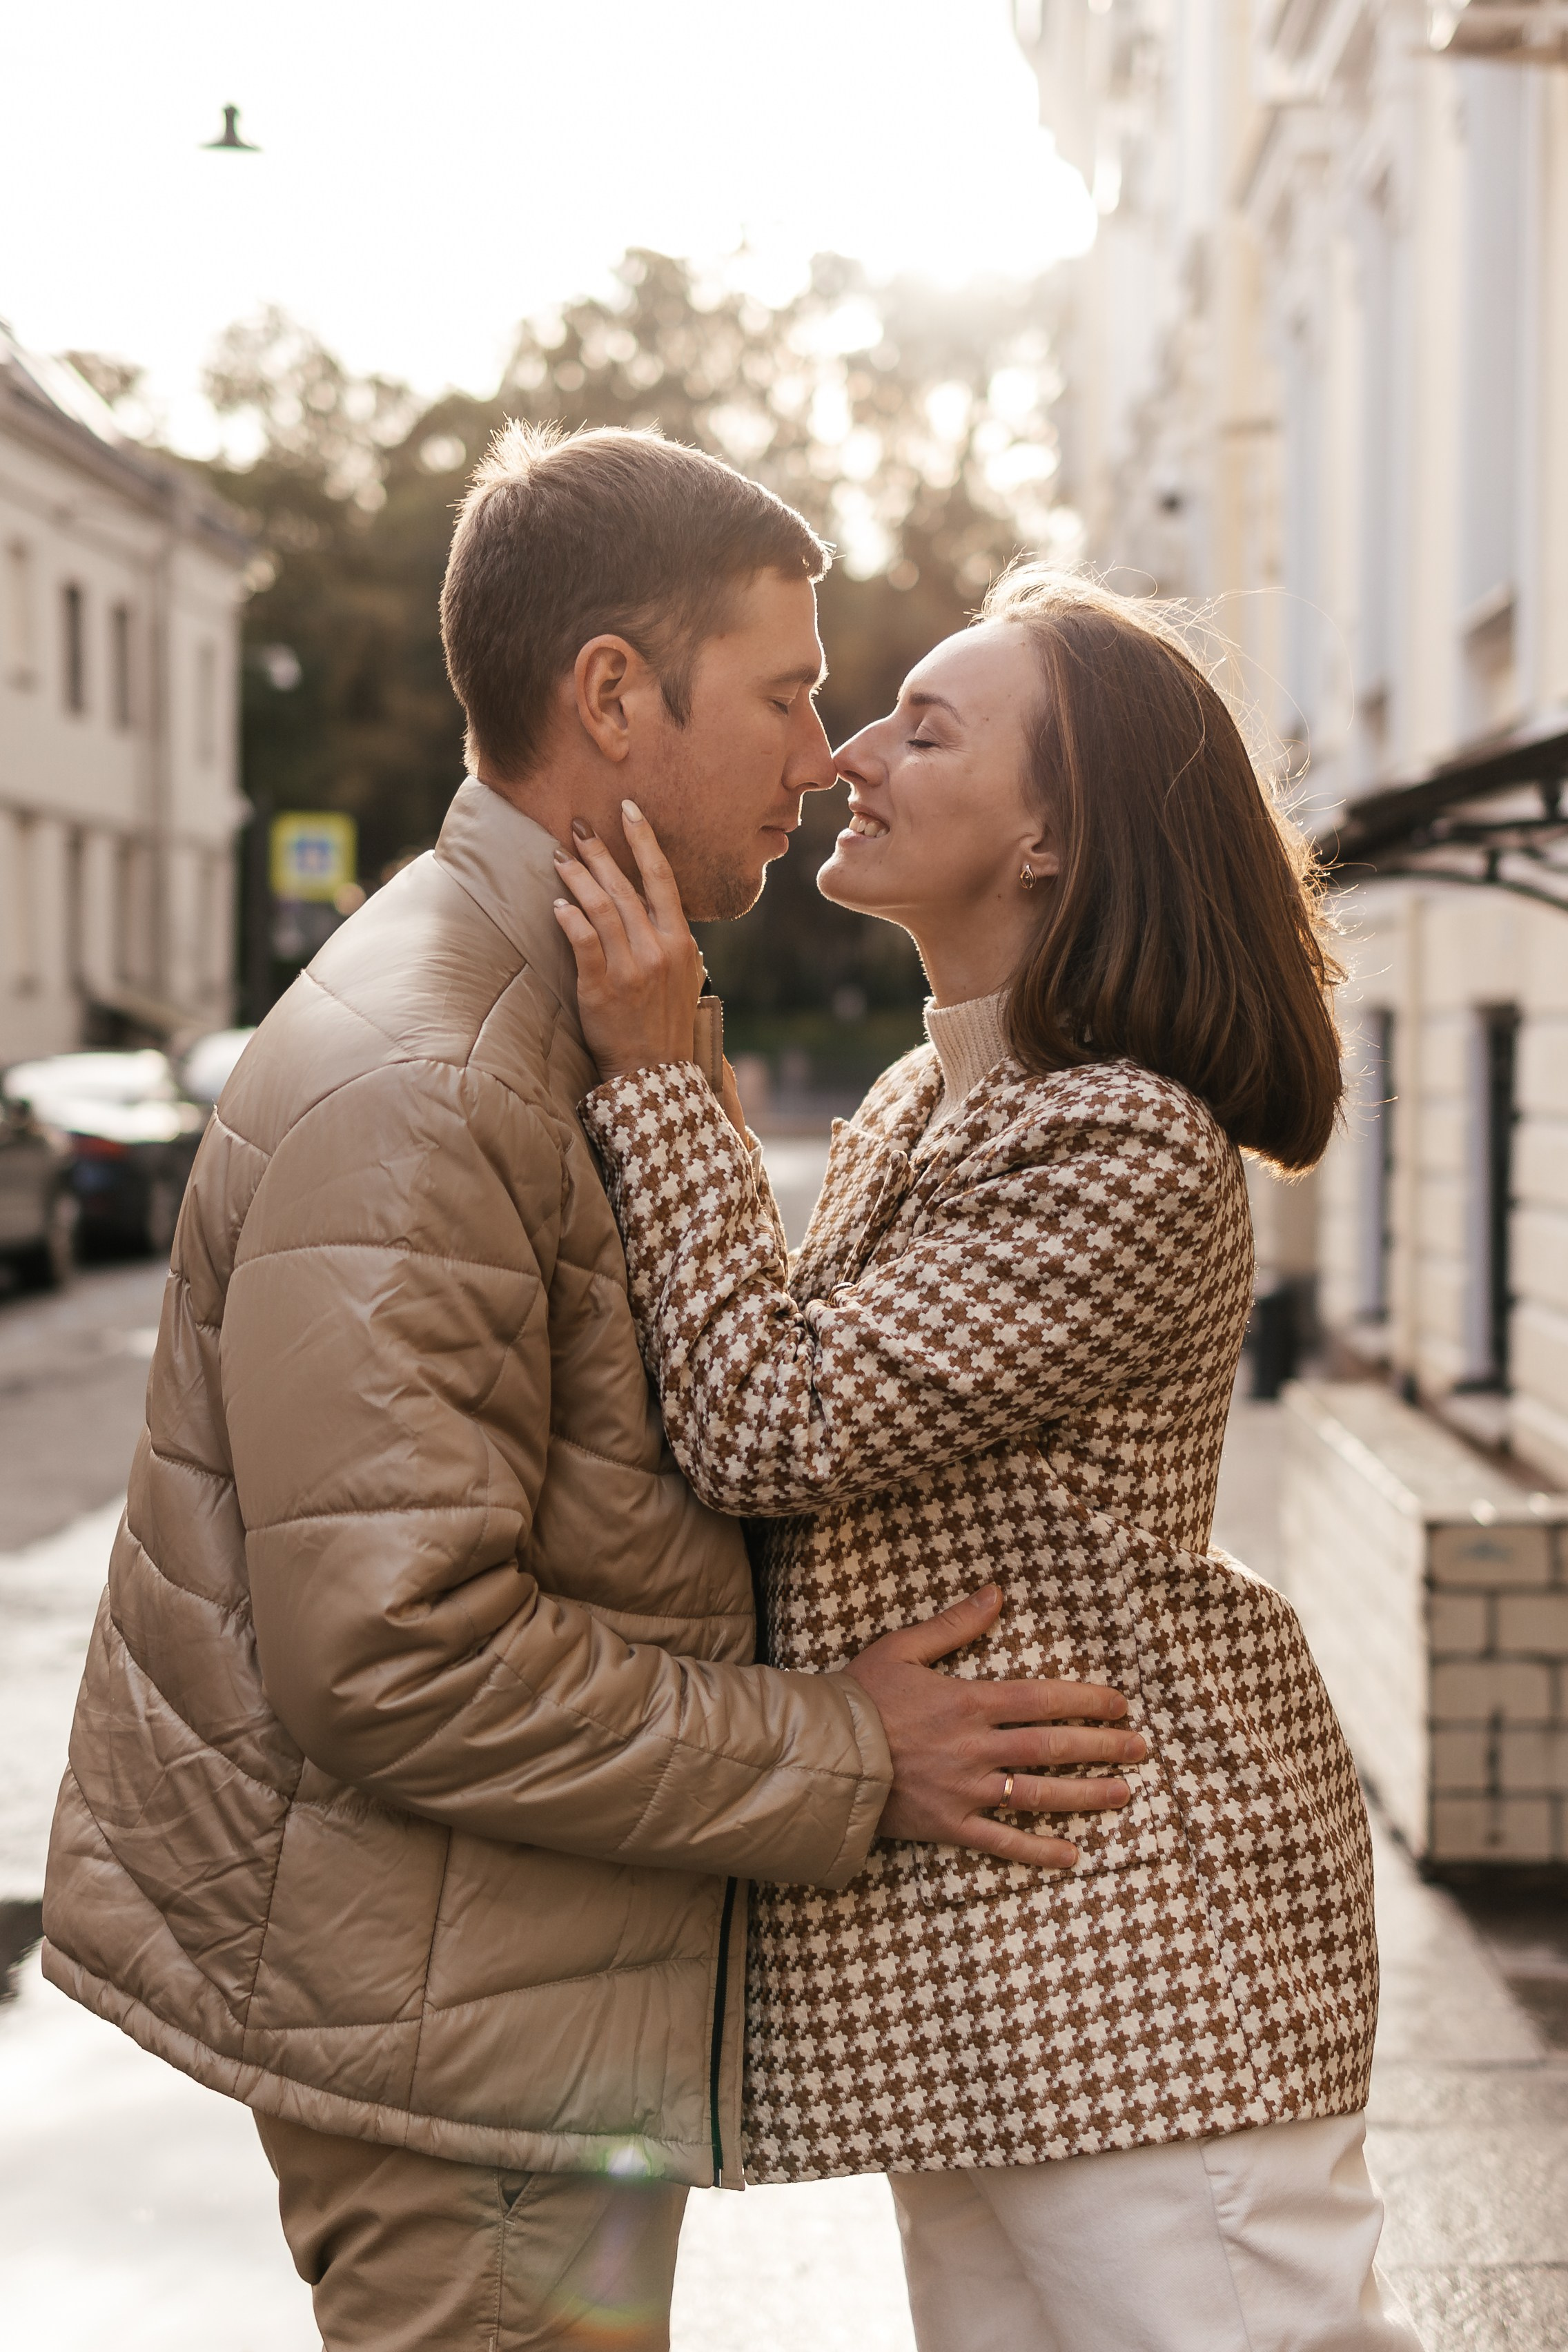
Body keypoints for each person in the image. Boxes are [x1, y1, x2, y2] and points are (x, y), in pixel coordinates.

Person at [39, 429, 1148, 2352]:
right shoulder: (437, 1074)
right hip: (467, 2076)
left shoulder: (560, 1011)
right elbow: (397, 1653)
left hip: (520, 2020)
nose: (822, 757)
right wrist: (847, 1753)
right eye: (787, 695)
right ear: (616, 698)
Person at [551, 566, 1425, 2352]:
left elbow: (771, 1420)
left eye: (927, 730)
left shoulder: (1126, 1137)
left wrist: (659, 1076)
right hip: (974, 1961)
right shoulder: (919, 1100)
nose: (852, 753)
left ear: (1054, 837)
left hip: (1139, 1944)